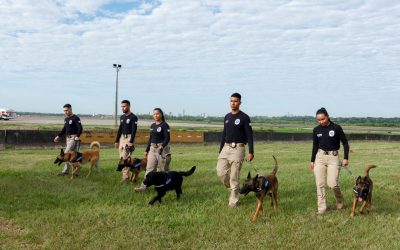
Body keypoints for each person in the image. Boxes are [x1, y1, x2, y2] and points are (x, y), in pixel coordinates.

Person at [216, 93, 254, 207]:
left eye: (235, 101)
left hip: (238, 148)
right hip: (226, 147)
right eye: (231, 101)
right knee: (220, 172)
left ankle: (233, 200)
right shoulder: (227, 117)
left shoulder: (244, 117)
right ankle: (234, 189)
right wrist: (221, 149)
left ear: (240, 102)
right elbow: (224, 134)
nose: (233, 103)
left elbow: (249, 135)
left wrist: (251, 151)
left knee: (234, 176)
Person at [310, 107, 349, 215]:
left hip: (333, 157)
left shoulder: (336, 128)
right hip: (320, 157)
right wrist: (312, 160)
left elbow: (345, 143)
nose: (321, 121)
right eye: (319, 120)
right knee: (320, 184)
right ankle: (322, 208)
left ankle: (340, 200)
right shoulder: (316, 130)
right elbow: (315, 146)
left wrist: (346, 158)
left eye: (323, 119)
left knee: (332, 184)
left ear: (328, 116)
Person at [135, 108, 171, 192]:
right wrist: (146, 150)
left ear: (161, 114)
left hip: (162, 149)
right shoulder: (152, 125)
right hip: (152, 149)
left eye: (157, 114)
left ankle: (165, 186)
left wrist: (162, 146)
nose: (156, 115)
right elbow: (150, 139)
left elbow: (167, 138)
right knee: (149, 169)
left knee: (163, 170)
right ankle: (143, 187)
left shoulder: (164, 125)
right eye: (154, 114)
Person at [53, 104, 82, 176]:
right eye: (64, 111)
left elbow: (80, 128)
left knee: (66, 154)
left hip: (73, 138)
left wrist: (77, 136)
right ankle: (76, 171)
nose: (65, 112)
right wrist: (58, 136)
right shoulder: (66, 119)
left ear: (70, 109)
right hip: (68, 139)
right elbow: (64, 129)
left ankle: (65, 172)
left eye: (66, 110)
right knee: (74, 156)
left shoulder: (76, 118)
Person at [115, 100, 138, 182]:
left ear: (128, 106)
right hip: (122, 138)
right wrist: (117, 141)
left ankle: (125, 178)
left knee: (125, 158)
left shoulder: (133, 117)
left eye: (124, 106)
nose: (122, 108)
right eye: (121, 106)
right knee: (121, 158)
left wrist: (131, 141)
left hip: (129, 138)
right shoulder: (122, 117)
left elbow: (134, 130)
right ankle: (133, 173)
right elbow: (120, 129)